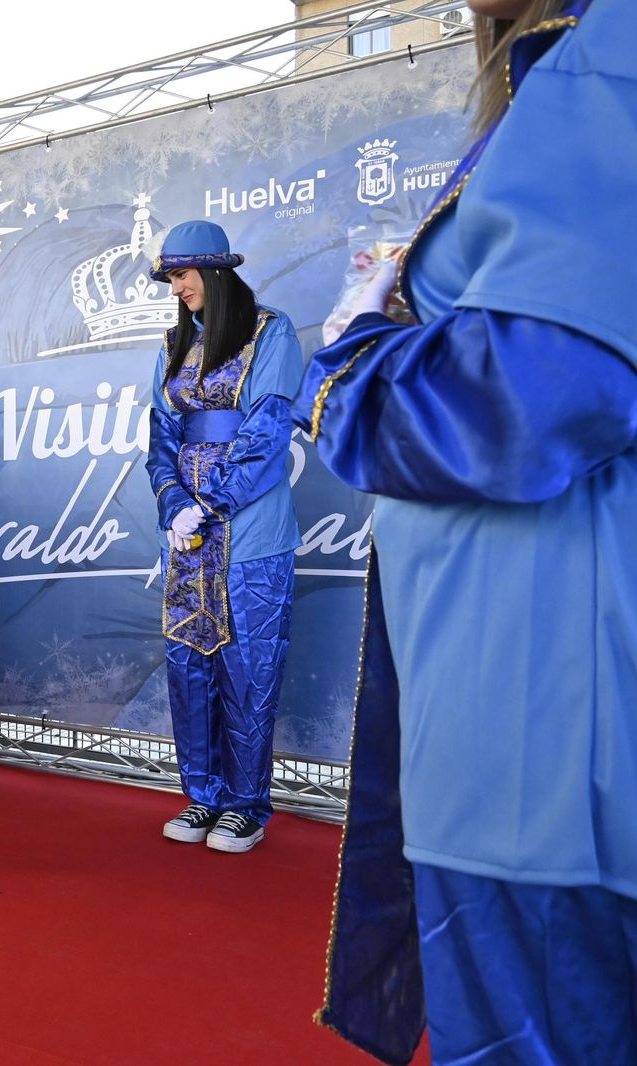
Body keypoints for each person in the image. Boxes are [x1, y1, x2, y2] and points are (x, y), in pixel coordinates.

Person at [297, 2, 637, 1062]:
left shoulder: (611, 52)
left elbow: (528, 396)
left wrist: (346, 369)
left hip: (542, 747)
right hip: (534, 719)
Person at [143, 220, 302, 855]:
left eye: (182, 274)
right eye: (171, 277)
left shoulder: (272, 330)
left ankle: (245, 805)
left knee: (249, 665)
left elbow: (267, 432)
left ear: (213, 271)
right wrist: (174, 503)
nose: (176, 287)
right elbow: (160, 433)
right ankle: (202, 795)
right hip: (185, 537)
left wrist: (209, 505)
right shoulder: (172, 343)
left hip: (250, 532)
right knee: (189, 663)